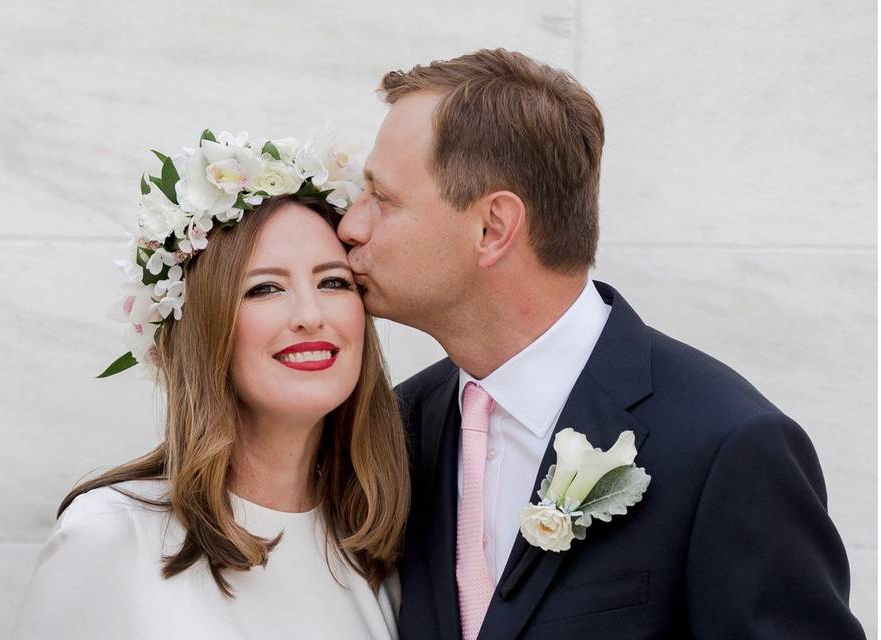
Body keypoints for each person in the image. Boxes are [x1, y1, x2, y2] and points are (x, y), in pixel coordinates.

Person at [337, 49, 865, 639]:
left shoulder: (727, 446)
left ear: (492, 228)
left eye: (381, 197)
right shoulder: (397, 426)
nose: (351, 226)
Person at [13, 130, 408, 639]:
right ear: (200, 329)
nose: (311, 316)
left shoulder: (374, 549)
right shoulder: (112, 536)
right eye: (264, 288)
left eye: (333, 282)